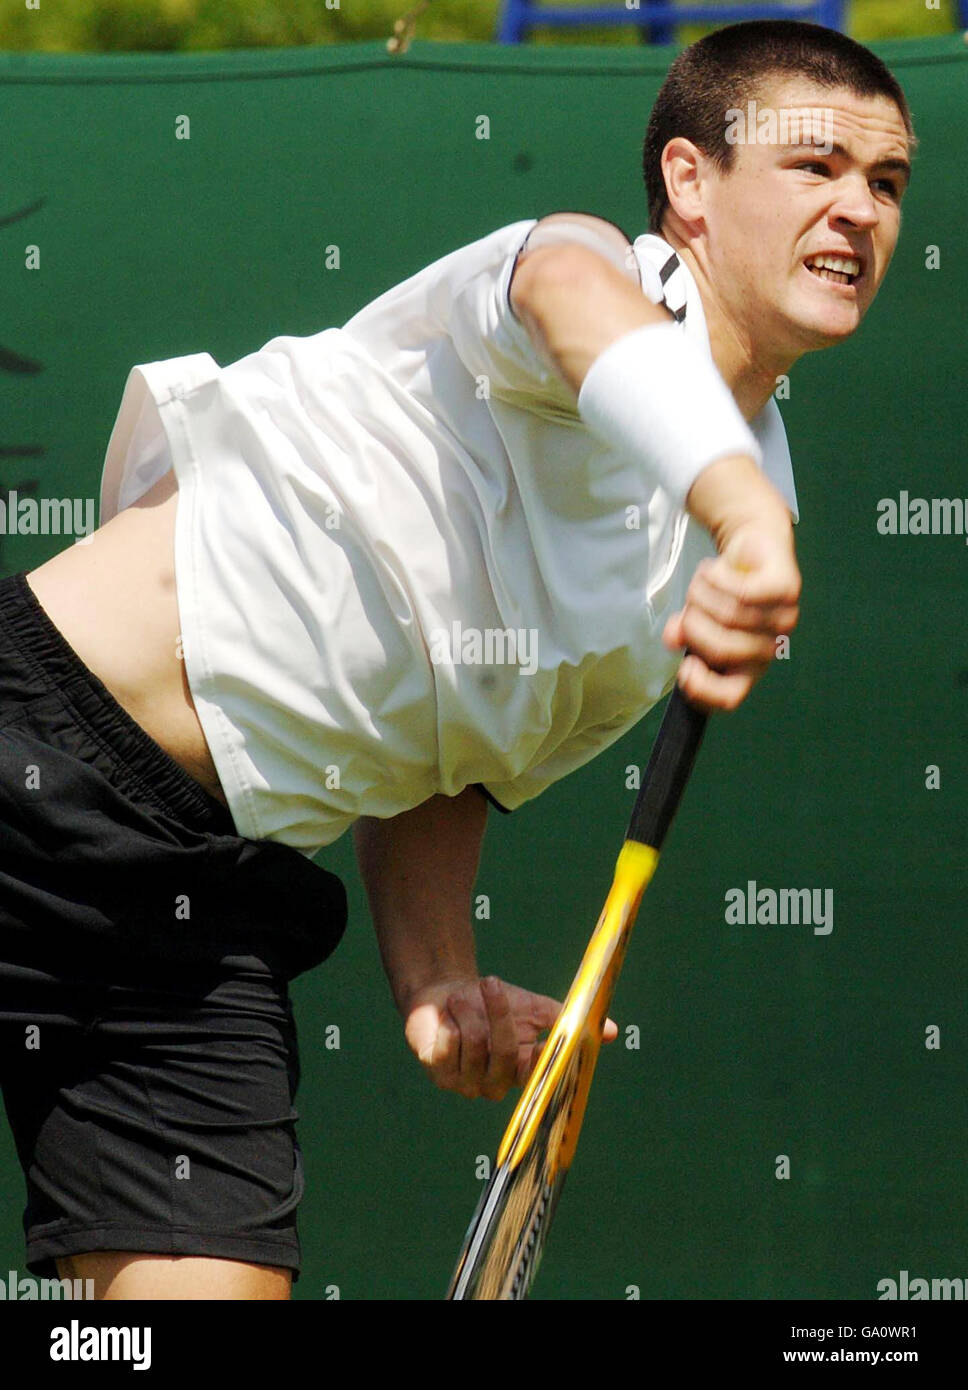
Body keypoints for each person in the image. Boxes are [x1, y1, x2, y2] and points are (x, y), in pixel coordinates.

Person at [0, 19, 913, 1299]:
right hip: (28, 744)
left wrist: (432, 975)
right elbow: (568, 302)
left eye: (884, 183)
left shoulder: (749, 501)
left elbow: (456, 750)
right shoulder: (587, 275)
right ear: (687, 185)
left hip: (196, 900)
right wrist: (735, 509)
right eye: (811, 165)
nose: (856, 210)